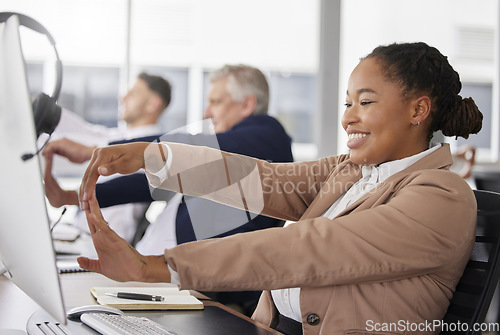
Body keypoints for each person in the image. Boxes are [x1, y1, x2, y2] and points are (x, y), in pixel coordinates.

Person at [77, 42, 483, 335]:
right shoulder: (351, 170)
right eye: (347, 104)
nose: (348, 119)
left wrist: (158, 267)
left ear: (418, 110)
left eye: (365, 102)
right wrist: (154, 156)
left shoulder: (441, 196)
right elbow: (261, 181)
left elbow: (311, 247)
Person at [44, 64, 294, 315]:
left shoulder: (268, 134)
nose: (207, 112)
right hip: (155, 274)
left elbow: (196, 144)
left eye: (216, 102)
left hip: (193, 288)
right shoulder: (226, 157)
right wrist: (72, 197)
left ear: (247, 105)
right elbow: (149, 184)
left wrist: (100, 149)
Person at [45, 72, 172, 243]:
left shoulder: (157, 147)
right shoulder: (119, 136)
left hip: (100, 241)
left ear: (152, 104)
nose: (123, 97)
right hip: (78, 233)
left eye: (133, 93)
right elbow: (86, 132)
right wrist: (45, 111)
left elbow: (94, 141)